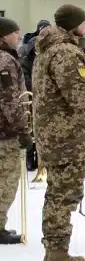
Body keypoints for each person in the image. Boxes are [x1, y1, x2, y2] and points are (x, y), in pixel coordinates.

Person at [32, 4, 85, 261]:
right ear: (73, 24)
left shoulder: (48, 49)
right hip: (65, 135)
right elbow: (80, 96)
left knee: (57, 194)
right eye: (83, 23)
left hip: (55, 133)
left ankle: (54, 250)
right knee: (63, 196)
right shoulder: (66, 52)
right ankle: (58, 254)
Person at [0, 18, 31, 245]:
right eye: (14, 33)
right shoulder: (5, 61)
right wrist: (22, 130)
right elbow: (9, 100)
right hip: (5, 133)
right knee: (7, 180)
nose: (18, 36)